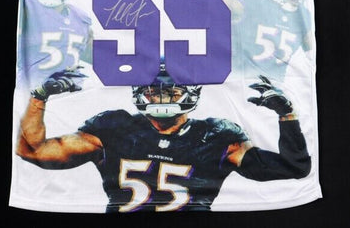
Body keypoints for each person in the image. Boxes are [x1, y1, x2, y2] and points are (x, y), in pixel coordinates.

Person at [16, 64, 311, 212]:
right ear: (140, 93)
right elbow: (32, 151)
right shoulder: (114, 128)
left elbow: (294, 167)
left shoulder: (216, 136)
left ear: (190, 93)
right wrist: (39, 97)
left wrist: (287, 115)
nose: (162, 98)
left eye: (171, 91)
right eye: (154, 92)